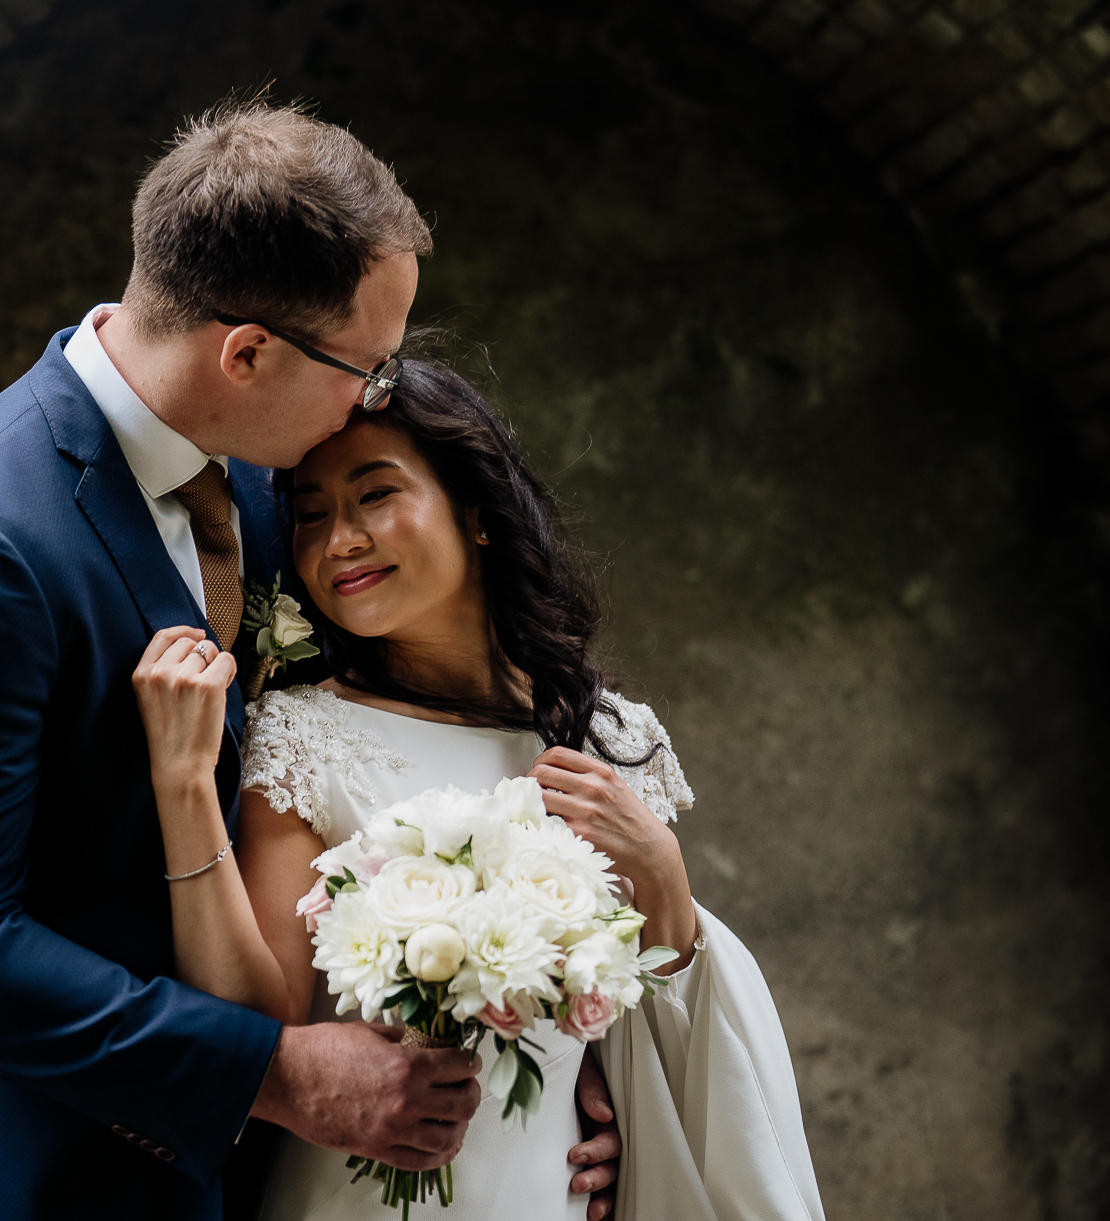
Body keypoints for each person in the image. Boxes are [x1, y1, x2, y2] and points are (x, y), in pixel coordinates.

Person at [0, 99, 624, 1220]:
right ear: (249, 352)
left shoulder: (279, 486)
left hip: (288, 1184)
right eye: (367, 362)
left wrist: (543, 1055)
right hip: (51, 1175)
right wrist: (280, 1074)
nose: (377, 396)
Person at [131, 359, 828, 1220]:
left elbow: (653, 1030)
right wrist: (183, 784)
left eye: (375, 495)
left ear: (478, 513)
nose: (337, 539)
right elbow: (253, 1021)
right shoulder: (304, 737)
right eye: (309, 516)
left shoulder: (618, 741)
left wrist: (664, 879)